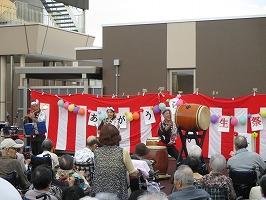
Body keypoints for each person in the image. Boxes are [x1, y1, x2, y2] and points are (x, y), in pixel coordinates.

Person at [91, 124, 138, 200]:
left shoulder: (96, 152)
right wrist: (137, 172)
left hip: (98, 193)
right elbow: (132, 173)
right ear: (117, 137)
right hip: (117, 194)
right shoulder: (123, 152)